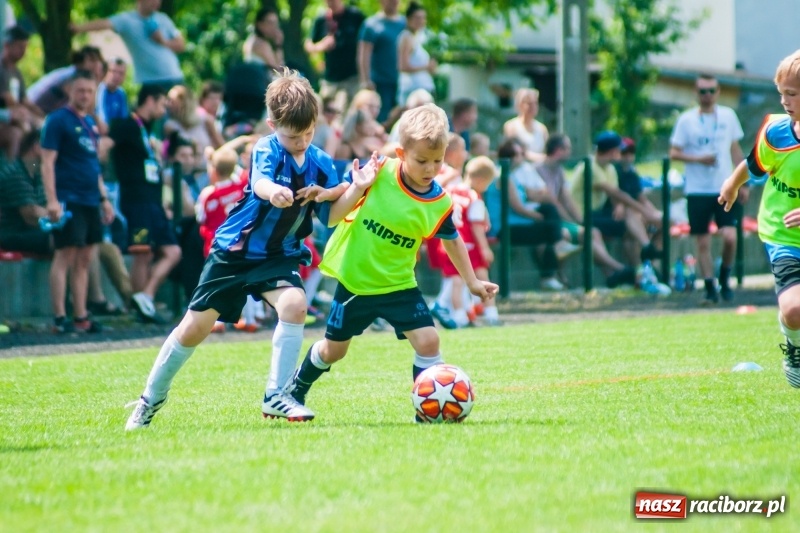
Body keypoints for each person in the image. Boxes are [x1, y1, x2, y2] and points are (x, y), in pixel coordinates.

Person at [124, 69, 349, 430]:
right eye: (293, 136)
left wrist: (356, 189)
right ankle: (150, 399)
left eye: (308, 133)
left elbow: (333, 215)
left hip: (278, 255)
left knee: (295, 304)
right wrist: (274, 192)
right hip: (234, 252)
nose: (302, 141)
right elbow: (259, 182)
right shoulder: (266, 148)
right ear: (272, 124)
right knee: (194, 328)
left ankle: (277, 395)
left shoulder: (321, 162)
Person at [283, 104, 498, 415]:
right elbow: (348, 187)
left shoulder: (438, 202)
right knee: (334, 351)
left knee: (429, 341)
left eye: (437, 161)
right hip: (356, 283)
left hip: (399, 285)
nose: (430, 168)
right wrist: (328, 193)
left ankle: (428, 410)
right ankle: (298, 386)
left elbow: (452, 240)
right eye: (421, 161)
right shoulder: (380, 170)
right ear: (401, 153)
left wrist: (473, 281)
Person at [718, 49, 800, 388]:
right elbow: (754, 164)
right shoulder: (777, 133)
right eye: (781, 93)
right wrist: (732, 184)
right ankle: (794, 349)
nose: (784, 101)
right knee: (793, 310)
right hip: (784, 238)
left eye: (792, 94)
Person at [40, 70, 115, 333]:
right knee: (65, 255)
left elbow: (93, 166)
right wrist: (52, 200)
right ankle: (59, 317)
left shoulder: (90, 123)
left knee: (85, 258)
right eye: (80, 90)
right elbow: (47, 163)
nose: (85, 96)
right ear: (70, 91)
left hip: (90, 199)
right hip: (68, 198)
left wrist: (104, 199)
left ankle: (81, 316)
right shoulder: (57, 120)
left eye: (90, 91)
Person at [109, 84, 181, 323]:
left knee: (173, 251)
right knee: (142, 252)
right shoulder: (127, 125)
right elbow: (105, 145)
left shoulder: (151, 129)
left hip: (154, 202)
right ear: (149, 100)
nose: (164, 109)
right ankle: (139, 309)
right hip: (136, 202)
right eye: (162, 103)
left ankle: (145, 296)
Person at [671, 73, 745, 305]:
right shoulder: (686, 120)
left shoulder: (728, 116)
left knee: (730, 236)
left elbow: (735, 149)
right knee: (702, 241)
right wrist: (698, 159)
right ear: (696, 93)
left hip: (724, 186)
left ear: (718, 92)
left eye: (711, 91)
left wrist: (742, 181)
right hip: (697, 189)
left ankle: (725, 275)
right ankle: (710, 287)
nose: (707, 95)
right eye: (703, 91)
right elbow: (674, 152)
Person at [536, 133, 634, 287]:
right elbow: (552, 202)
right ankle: (619, 269)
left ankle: (611, 274)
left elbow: (566, 199)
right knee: (573, 234)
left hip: (561, 219)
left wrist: (580, 221)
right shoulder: (538, 170)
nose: (570, 152)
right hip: (545, 219)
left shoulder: (560, 171)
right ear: (558, 150)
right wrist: (571, 221)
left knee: (592, 232)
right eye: (568, 148)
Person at [570, 131, 660, 267]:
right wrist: (645, 211)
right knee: (632, 221)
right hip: (583, 215)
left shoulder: (609, 168)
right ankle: (644, 253)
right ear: (612, 151)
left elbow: (616, 196)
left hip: (598, 213)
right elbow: (616, 193)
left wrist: (619, 206)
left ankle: (642, 260)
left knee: (630, 223)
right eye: (619, 150)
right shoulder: (590, 167)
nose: (621, 153)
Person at [437, 155, 501, 327]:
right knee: (481, 275)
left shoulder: (450, 191)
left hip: (447, 242)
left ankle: (460, 316)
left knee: (456, 281)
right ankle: (491, 313)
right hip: (469, 245)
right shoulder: (474, 197)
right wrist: (485, 248)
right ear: (481, 180)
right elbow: (476, 226)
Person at [71, 0, 185, 89]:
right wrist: (78, 28)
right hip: (150, 81)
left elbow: (181, 45)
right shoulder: (126, 20)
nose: (157, 2)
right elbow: (104, 24)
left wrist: (163, 41)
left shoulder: (163, 18)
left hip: (174, 77)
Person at [0, 129, 51, 255]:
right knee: (66, 239)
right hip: (12, 234)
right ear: (37, 147)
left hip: (32, 231)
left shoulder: (37, 172)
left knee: (84, 238)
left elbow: (45, 208)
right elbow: (31, 215)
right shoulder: (14, 173)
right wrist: (56, 215)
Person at [305, 0, 365, 102]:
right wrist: (321, 46)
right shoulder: (321, 20)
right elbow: (308, 45)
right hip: (330, 78)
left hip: (352, 77)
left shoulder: (355, 16)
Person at [358, 0, 406, 123]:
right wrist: (365, 80)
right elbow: (364, 54)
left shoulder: (404, 23)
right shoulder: (371, 24)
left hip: (402, 81)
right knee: (383, 119)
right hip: (380, 82)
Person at [27, 46, 104, 116]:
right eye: (92, 60)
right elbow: (80, 107)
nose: (97, 64)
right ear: (80, 62)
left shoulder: (74, 73)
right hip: (33, 111)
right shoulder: (71, 78)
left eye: (98, 60)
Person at [397, 2, 436, 105]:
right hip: (413, 89)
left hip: (423, 87)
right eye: (417, 18)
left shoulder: (420, 38)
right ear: (408, 19)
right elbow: (403, 66)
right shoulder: (406, 37)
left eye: (423, 18)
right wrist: (426, 67)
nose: (421, 21)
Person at [503, 88, 548, 163]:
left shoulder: (542, 129)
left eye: (535, 103)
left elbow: (547, 152)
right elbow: (514, 151)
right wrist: (540, 158)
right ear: (519, 105)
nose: (533, 107)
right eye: (529, 103)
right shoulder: (511, 126)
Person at [96, 57, 129, 127]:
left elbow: (124, 118)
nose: (116, 76)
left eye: (121, 73)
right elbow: (102, 118)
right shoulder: (99, 91)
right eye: (113, 71)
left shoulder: (121, 93)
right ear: (105, 72)